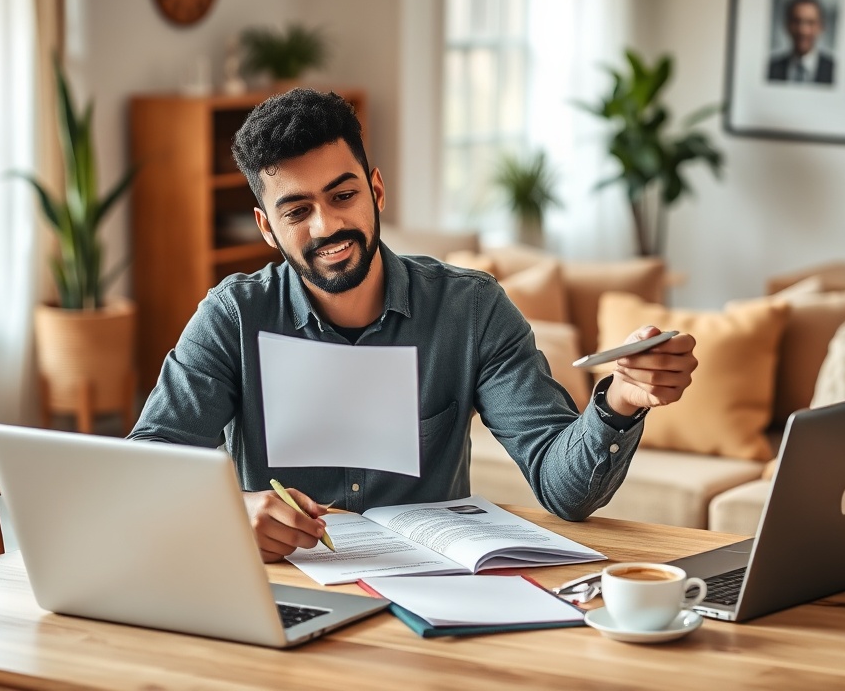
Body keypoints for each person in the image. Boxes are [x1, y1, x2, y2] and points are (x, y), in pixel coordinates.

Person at [128, 88, 698, 562]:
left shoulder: (470, 310)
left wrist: (620, 400)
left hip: (431, 597)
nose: (327, 225)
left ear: (375, 189)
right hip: (283, 592)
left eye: (343, 195)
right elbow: (143, 469)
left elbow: (563, 488)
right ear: (267, 227)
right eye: (297, 210)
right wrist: (232, 511)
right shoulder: (234, 317)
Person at [767, 0, 835, 85]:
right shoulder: (770, 68)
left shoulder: (834, 70)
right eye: (796, 21)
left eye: (810, 23)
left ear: (821, 26)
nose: (803, 30)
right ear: (787, 25)